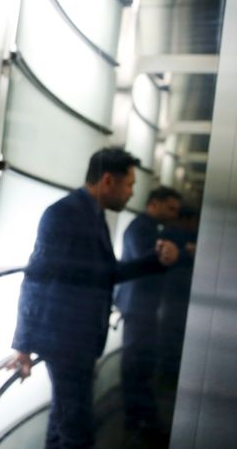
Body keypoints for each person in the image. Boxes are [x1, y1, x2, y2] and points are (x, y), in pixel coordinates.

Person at [8, 148, 179, 448]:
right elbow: (36, 278)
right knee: (78, 431)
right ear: (108, 180)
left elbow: (106, 273)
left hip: (79, 340)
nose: (131, 193)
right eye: (129, 185)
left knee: (64, 424)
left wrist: (156, 261)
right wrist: (23, 344)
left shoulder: (93, 214)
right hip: (65, 342)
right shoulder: (64, 213)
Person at [113, 186, 182, 443]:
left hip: (140, 305)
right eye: (171, 208)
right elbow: (143, 262)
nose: (174, 214)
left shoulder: (147, 227)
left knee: (139, 364)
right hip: (137, 305)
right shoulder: (141, 227)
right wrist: (165, 256)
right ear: (155, 203)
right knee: (136, 365)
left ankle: (140, 419)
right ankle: (138, 420)